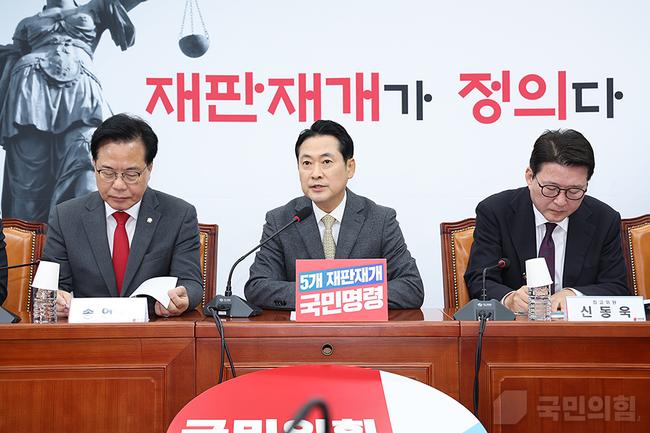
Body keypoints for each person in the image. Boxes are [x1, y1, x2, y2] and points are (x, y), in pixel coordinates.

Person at [245, 120, 424, 310]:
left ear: (349, 167)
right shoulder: (281, 220)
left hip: (359, 329)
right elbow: (258, 288)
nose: (315, 174)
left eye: (326, 162)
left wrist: (330, 294)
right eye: (307, 163)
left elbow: (411, 288)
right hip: (303, 329)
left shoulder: (380, 220)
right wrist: (335, 293)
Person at [0, 0, 149, 223]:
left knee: (86, 159)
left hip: (81, 91)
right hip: (29, 91)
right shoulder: (26, 23)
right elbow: (9, 62)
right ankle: (28, 242)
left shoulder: (96, 7)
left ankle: (79, 236)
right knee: (29, 180)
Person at [42, 113, 203, 317]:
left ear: (149, 168)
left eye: (131, 174)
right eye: (107, 173)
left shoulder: (178, 215)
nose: (118, 185)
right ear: (94, 165)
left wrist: (183, 297)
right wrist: (56, 297)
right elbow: (52, 285)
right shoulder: (66, 217)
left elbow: (190, 282)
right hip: (88, 329)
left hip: (152, 330)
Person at [464, 129, 628, 313]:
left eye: (574, 191)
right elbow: (480, 279)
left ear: (586, 185)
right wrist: (510, 299)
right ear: (530, 176)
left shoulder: (604, 220)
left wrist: (575, 295)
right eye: (551, 188)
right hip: (516, 327)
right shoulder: (496, 211)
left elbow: (617, 286)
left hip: (576, 328)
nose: (561, 201)